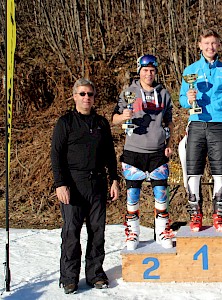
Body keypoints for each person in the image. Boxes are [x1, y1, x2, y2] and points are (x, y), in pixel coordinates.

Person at [51, 78, 119, 294]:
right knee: (71, 232)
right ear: (74, 97)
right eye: (82, 94)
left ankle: (95, 273)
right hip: (73, 184)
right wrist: (60, 184)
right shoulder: (66, 122)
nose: (86, 98)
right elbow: (56, 155)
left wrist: (114, 179)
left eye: (90, 94)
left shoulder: (101, 123)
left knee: (97, 231)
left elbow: (109, 153)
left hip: (98, 183)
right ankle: (69, 277)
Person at [112, 54, 174, 250]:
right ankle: (133, 233)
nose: (149, 74)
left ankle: (162, 231)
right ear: (139, 71)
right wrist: (124, 116)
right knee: (133, 195)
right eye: (145, 70)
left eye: (152, 70)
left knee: (161, 193)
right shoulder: (128, 92)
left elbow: (170, 121)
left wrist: (169, 141)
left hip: (157, 152)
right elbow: (114, 118)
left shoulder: (163, 93)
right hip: (134, 151)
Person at [179, 28, 222, 232]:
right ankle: (195, 215)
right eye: (206, 43)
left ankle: (219, 215)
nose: (210, 47)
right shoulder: (190, 70)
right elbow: (181, 99)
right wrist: (189, 99)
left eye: (214, 43)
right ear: (200, 45)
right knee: (193, 171)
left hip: (219, 125)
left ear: (218, 45)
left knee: (220, 172)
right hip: (196, 124)